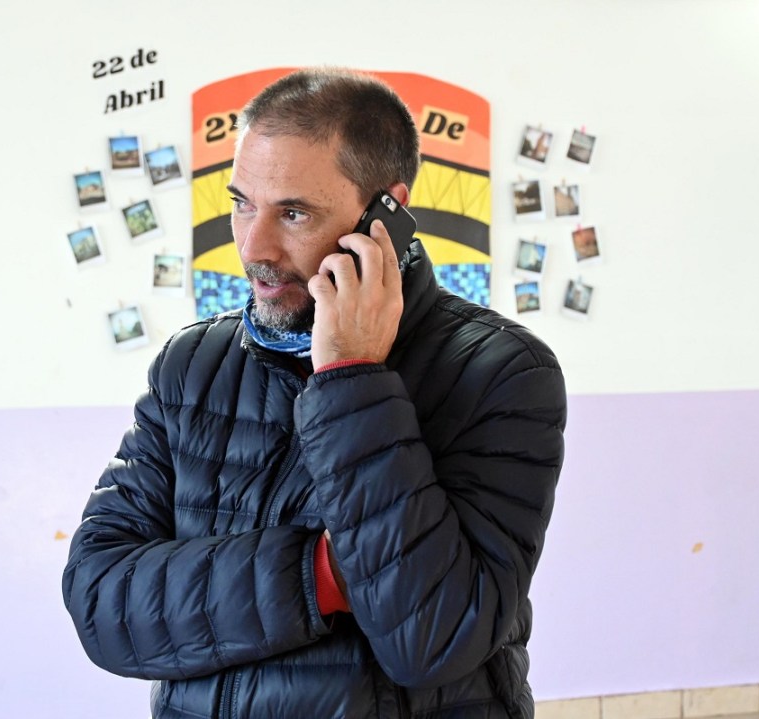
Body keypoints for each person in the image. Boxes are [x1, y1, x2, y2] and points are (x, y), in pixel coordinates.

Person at [63, 67, 566, 719]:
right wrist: (325, 574)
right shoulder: (192, 363)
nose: (253, 246)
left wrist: (351, 378)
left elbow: (431, 638)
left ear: (385, 215)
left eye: (293, 213)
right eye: (242, 203)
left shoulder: (501, 370)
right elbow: (101, 603)